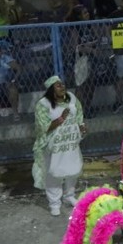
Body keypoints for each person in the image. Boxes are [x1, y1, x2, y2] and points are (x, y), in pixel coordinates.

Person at [31, 75, 84, 214]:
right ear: (51, 89)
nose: (63, 87)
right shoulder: (43, 104)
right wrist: (61, 118)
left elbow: (79, 115)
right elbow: (43, 127)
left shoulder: (71, 98)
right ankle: (54, 202)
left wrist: (82, 126)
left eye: (63, 84)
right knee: (54, 172)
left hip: (70, 143)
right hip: (52, 146)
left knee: (72, 169)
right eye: (58, 85)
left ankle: (69, 196)